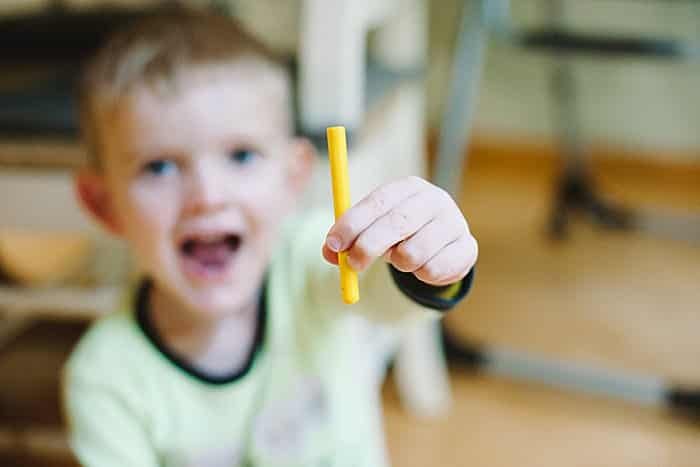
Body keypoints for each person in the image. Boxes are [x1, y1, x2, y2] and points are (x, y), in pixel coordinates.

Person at [63, 8, 478, 467]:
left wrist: (431, 263)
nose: (207, 196)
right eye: (158, 166)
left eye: (240, 156)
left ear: (293, 176)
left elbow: (388, 296)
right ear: (103, 205)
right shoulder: (103, 378)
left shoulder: (308, 264)